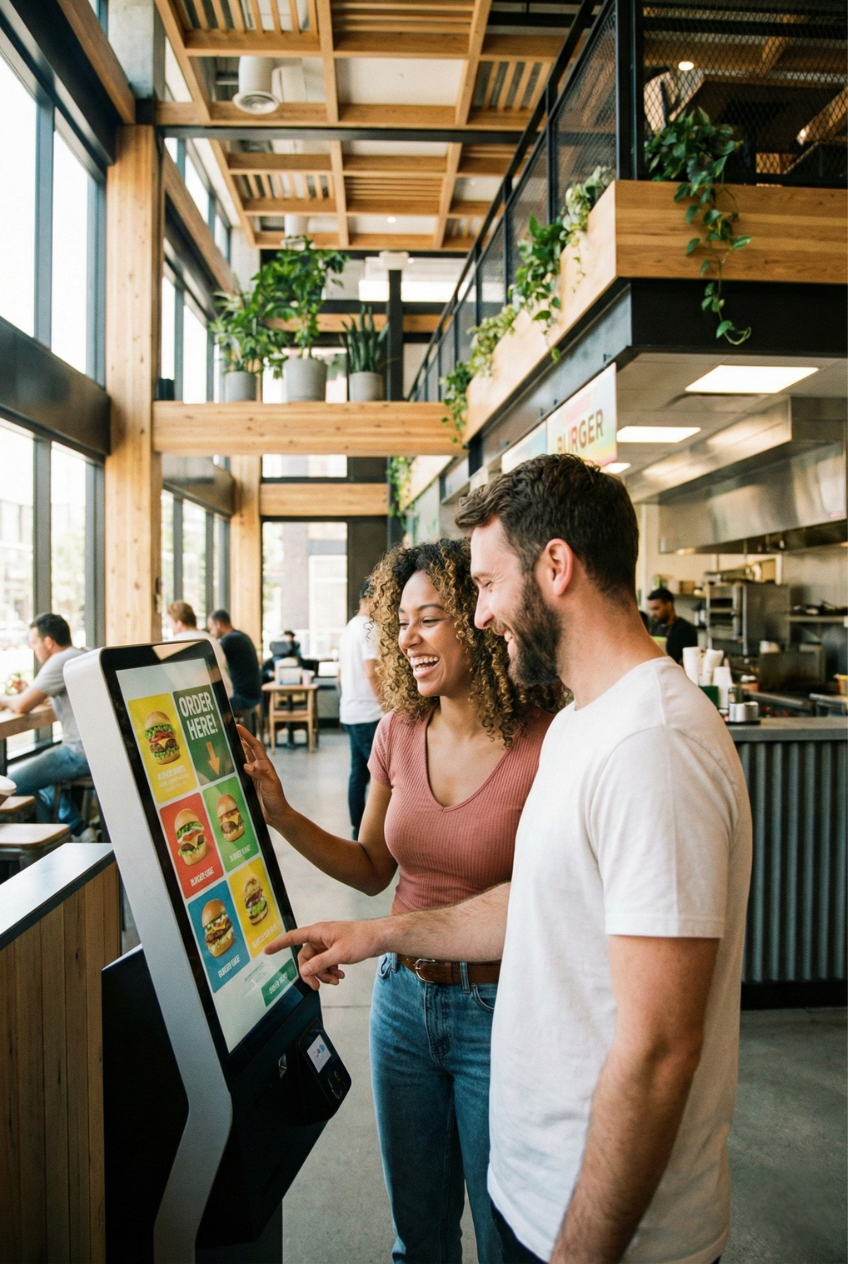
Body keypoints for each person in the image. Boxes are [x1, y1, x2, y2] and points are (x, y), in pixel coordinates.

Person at [269, 456, 753, 1264]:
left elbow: (660, 1051)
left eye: (488, 585)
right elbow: (535, 904)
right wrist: (380, 935)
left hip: (600, 1228)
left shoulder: (654, 747)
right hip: (540, 1187)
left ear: (555, 567)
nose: (483, 613)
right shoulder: (586, 725)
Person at [238, 538, 564, 1264]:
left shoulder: (546, 742)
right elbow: (369, 869)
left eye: (430, 619)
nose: (408, 639)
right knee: (417, 1237)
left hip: (504, 1006)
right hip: (400, 1004)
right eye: (401, 623)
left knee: (507, 1238)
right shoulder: (397, 730)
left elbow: (551, 898)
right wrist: (282, 814)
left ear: (479, 619)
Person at [0, 613, 94, 839]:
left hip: (79, 753)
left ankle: (56, 839)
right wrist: (29, 690)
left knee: (11, 786)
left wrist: (3, 699)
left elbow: (21, 705)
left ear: (49, 642)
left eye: (34, 642)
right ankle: (78, 828)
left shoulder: (60, 660)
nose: (32, 648)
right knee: (42, 775)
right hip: (96, 750)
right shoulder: (83, 653)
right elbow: (52, 696)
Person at [337, 581, 383, 839]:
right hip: (369, 713)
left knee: (359, 773)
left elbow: (340, 673)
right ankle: (377, 834)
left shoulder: (349, 628)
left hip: (351, 711)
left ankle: (358, 829)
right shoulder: (368, 627)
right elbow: (371, 672)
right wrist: (387, 706)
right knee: (383, 777)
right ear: (373, 599)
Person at [167, 600, 233, 697]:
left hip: (196, 698)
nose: (171, 627)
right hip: (224, 696)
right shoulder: (211, 639)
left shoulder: (174, 643)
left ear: (179, 623)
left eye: (171, 623)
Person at [207, 609, 262, 710]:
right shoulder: (242, 636)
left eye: (211, 628)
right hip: (254, 695)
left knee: (209, 706)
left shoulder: (229, 641)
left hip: (242, 698)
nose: (211, 633)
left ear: (219, 624)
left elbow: (211, 660)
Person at [646, 585, 699, 664]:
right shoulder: (655, 628)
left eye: (656, 609)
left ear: (669, 605)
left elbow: (689, 661)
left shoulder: (686, 629)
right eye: (651, 610)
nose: (652, 614)